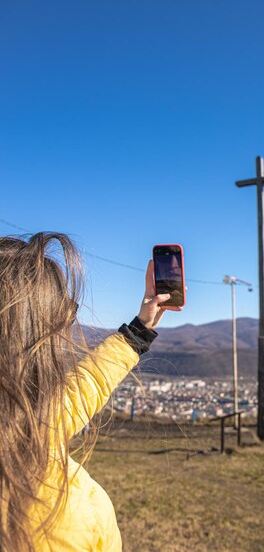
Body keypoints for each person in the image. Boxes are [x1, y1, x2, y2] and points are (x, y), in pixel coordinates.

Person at [0, 232, 179, 552]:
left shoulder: (24, 421)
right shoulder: (74, 514)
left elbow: (83, 388)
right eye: (63, 315)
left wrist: (138, 331)